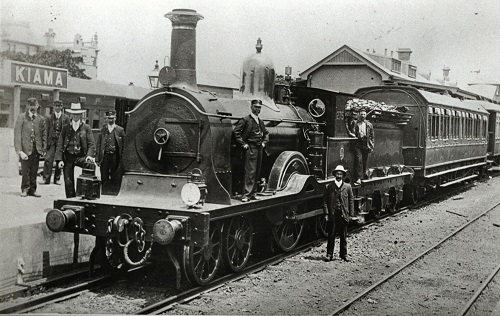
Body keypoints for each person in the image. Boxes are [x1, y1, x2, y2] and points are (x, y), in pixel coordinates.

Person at [55, 103, 96, 198]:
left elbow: (91, 144)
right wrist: (59, 160)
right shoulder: (66, 128)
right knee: (68, 180)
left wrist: (89, 156)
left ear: (81, 115)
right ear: (71, 115)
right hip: (68, 156)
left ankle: (87, 195)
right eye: (74, 114)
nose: (76, 116)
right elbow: (60, 144)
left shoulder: (86, 128)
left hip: (81, 156)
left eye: (77, 114)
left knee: (90, 168)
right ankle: (70, 199)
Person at [233, 99, 269, 202]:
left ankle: (253, 193)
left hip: (259, 149)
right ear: (251, 107)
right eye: (256, 107)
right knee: (250, 172)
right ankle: (246, 195)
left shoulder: (260, 121)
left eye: (259, 107)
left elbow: (266, 133)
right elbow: (236, 133)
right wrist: (243, 144)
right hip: (251, 149)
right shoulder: (245, 120)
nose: (257, 109)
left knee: (257, 171)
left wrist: (264, 142)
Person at [14, 97, 47, 197]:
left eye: (35, 105)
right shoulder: (22, 117)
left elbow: (44, 134)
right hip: (25, 150)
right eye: (31, 105)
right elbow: (17, 135)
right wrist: (19, 151)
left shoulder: (41, 119)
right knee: (25, 171)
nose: (33, 107)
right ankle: (25, 189)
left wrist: (44, 148)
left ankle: (33, 189)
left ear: (37, 106)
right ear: (27, 106)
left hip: (36, 149)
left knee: (34, 170)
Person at [323, 165, 354, 262]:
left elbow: (351, 201)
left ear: (343, 175)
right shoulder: (329, 187)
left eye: (341, 174)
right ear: (335, 174)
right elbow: (325, 201)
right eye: (337, 173)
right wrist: (326, 213)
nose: (339, 175)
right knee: (331, 235)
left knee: (343, 236)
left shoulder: (348, 187)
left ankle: (344, 254)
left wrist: (351, 214)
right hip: (333, 214)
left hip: (343, 214)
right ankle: (329, 254)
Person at [41, 99, 70, 185]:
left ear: (61, 107)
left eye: (59, 106)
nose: (57, 108)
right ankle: (46, 178)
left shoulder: (66, 118)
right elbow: (46, 131)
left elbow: (67, 131)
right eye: (55, 106)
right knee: (48, 159)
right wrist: (45, 143)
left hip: (60, 142)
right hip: (52, 141)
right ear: (53, 107)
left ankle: (57, 178)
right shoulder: (49, 118)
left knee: (59, 160)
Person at [96, 110, 125, 194]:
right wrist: (97, 159)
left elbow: (123, 145)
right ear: (106, 119)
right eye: (109, 118)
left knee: (115, 176)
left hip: (115, 157)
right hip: (105, 157)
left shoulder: (120, 130)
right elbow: (98, 144)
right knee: (104, 176)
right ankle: (104, 193)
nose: (111, 120)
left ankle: (113, 194)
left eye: (112, 118)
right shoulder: (103, 130)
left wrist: (122, 159)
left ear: (115, 118)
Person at [353, 109, 374, 185]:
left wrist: (371, 145)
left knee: (365, 160)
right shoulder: (356, 123)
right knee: (359, 160)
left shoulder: (369, 124)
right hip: (358, 143)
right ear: (359, 115)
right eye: (361, 114)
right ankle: (358, 177)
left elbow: (372, 136)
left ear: (366, 115)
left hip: (366, 143)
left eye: (364, 114)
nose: (363, 116)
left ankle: (364, 174)